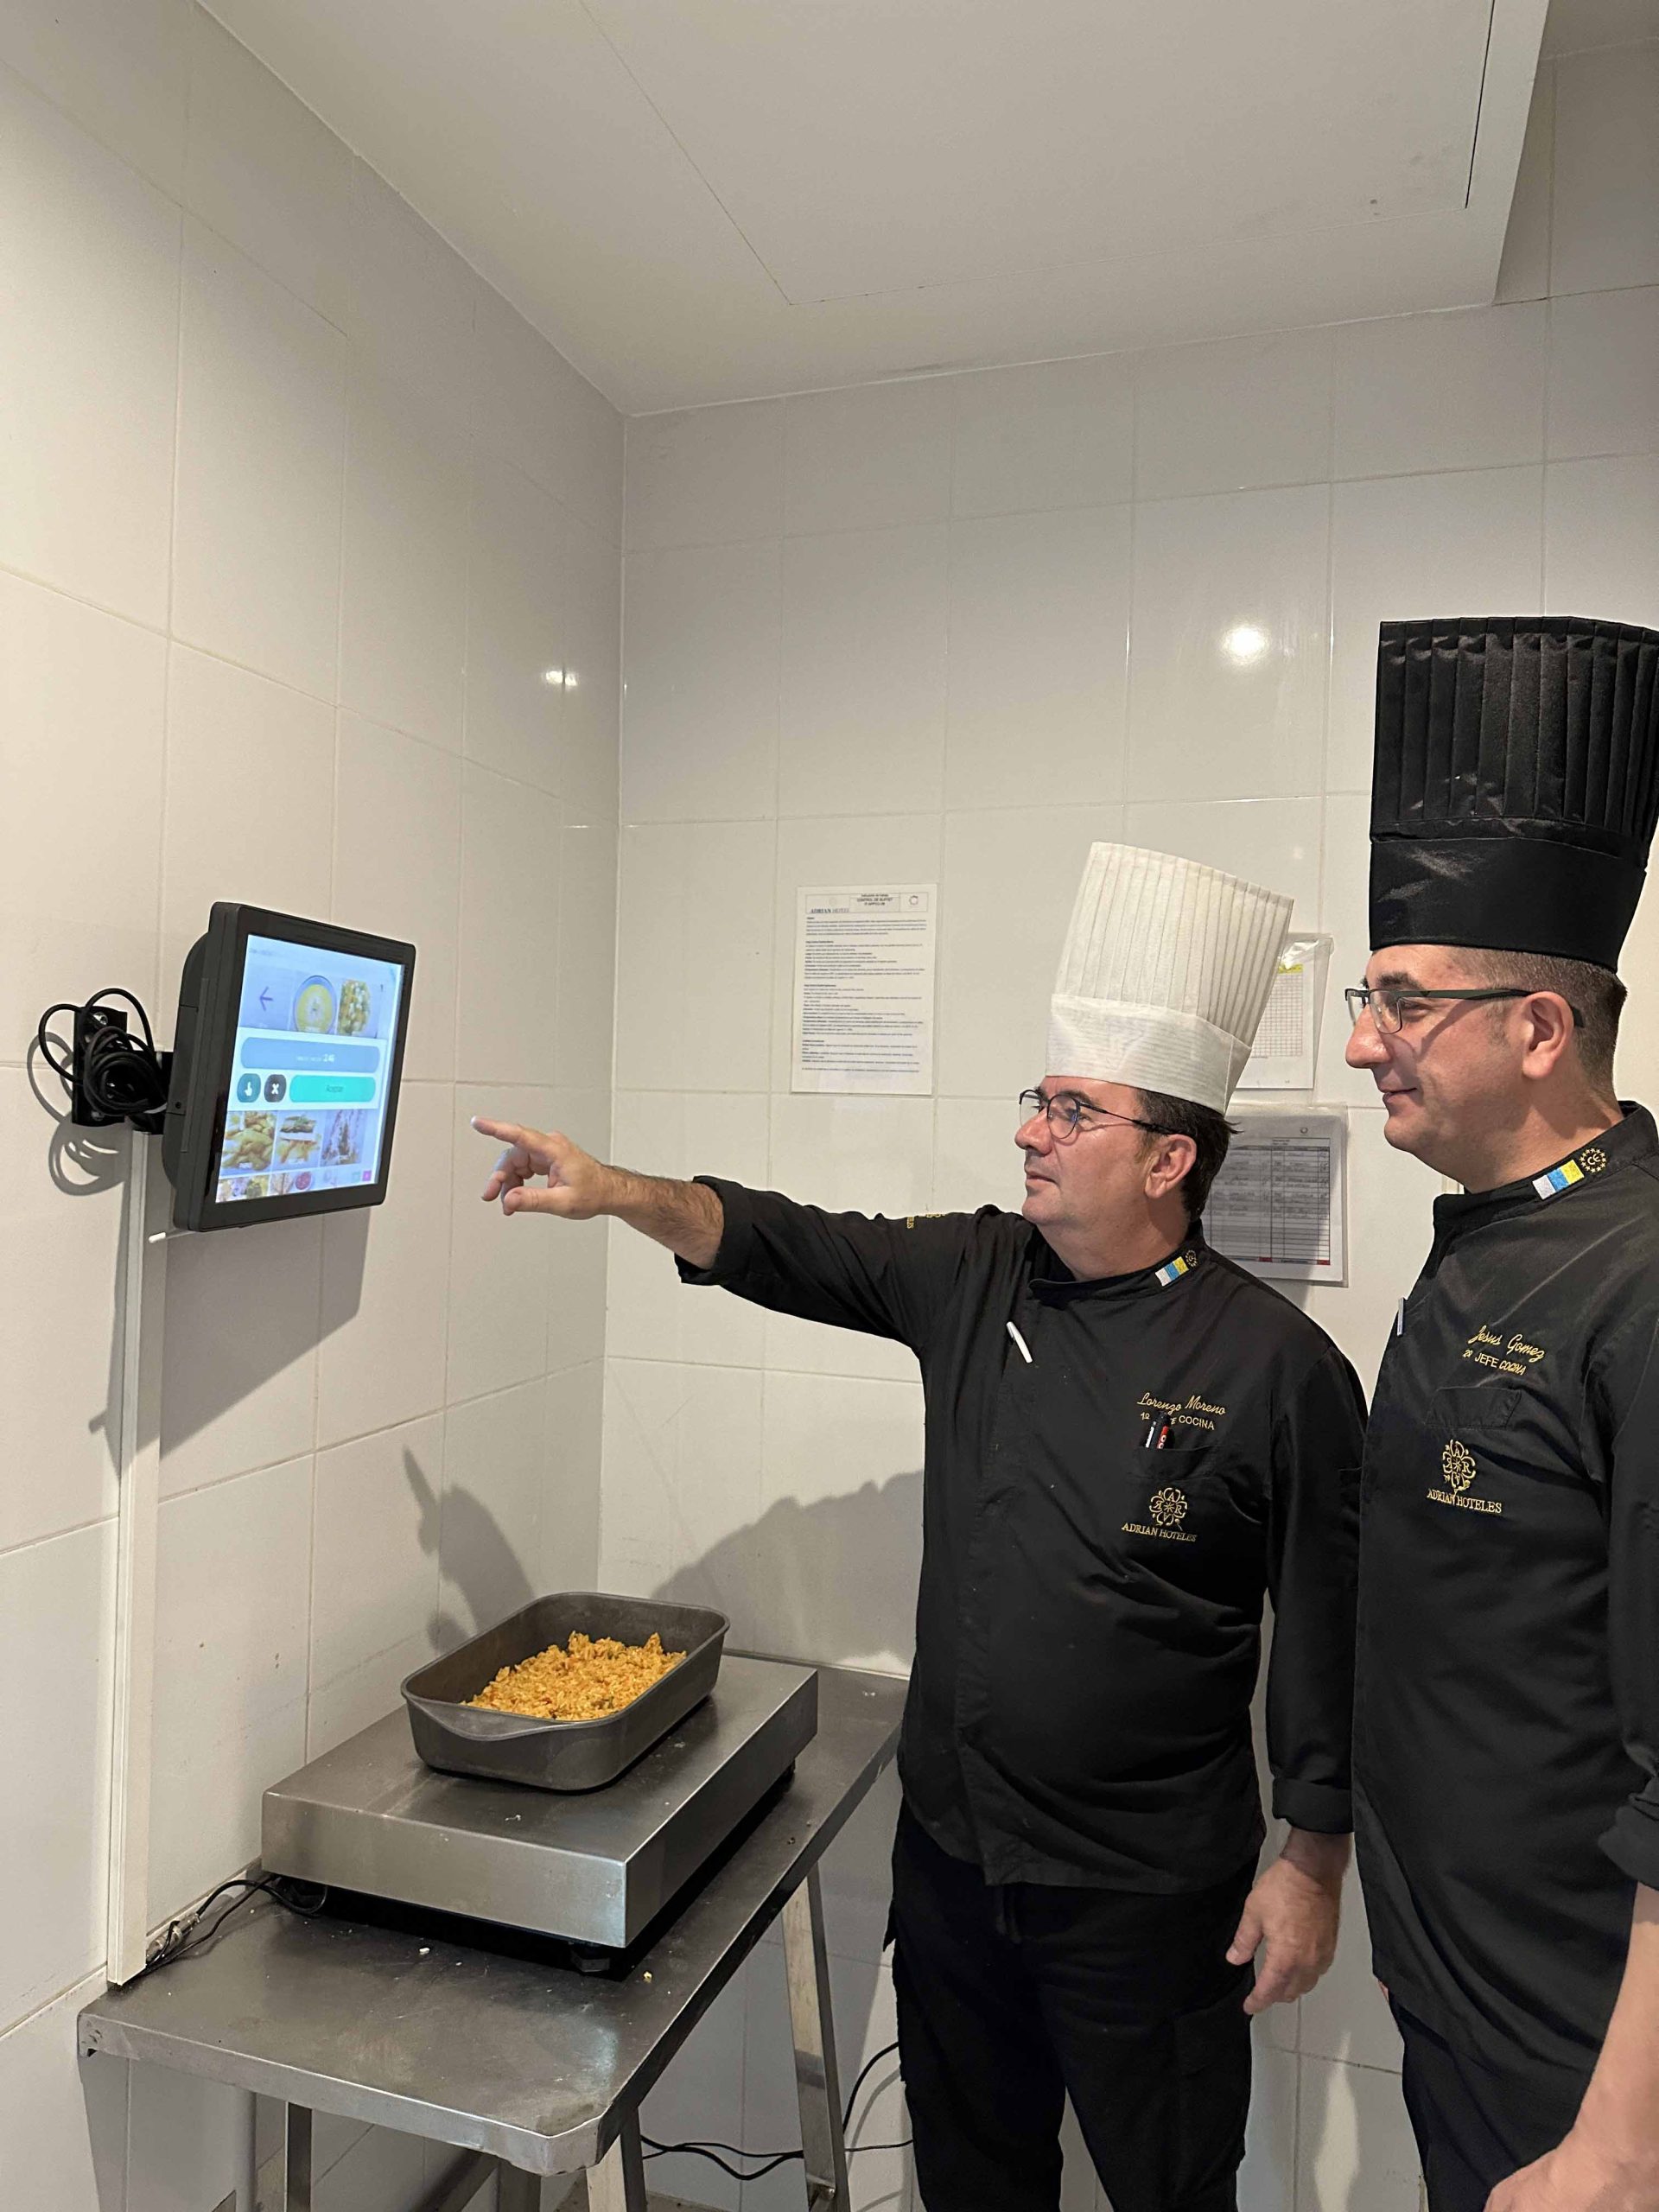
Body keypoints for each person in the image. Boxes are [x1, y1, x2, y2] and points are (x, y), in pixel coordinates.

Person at [477, 842, 1366, 2212]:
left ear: (1169, 1158)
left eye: (1073, 1111)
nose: (1031, 1132)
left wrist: (1311, 1863)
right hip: (956, 1864)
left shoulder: (1278, 1364)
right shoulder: (976, 1272)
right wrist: (617, 1191)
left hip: (1145, 1896)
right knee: (972, 2183)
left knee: (1173, 2187)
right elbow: (780, 1240)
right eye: (1038, 1101)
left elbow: (1330, 1631)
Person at [1345, 616, 1659, 2212]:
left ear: (1539, 1029)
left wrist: (1620, 2144)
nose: (1362, 1043)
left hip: (1581, 2054)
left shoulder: (1640, 1279)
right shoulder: (1488, 1235)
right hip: (1460, 1997)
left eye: (1401, 1003)